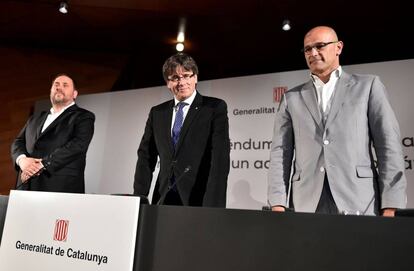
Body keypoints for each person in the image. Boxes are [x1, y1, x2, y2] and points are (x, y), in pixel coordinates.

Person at [267, 26, 407, 216]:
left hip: (359, 199)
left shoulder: (368, 86)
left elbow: (388, 146)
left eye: (320, 46)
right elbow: (280, 153)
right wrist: (277, 202)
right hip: (306, 202)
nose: (313, 53)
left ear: (338, 47)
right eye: (307, 49)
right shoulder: (291, 98)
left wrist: (390, 205)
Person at [133, 53, 230, 207]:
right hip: (163, 197)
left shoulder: (214, 108)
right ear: (167, 83)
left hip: (199, 198)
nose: (182, 82)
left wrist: (213, 204)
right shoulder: (157, 113)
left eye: (186, 75)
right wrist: (138, 197)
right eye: (175, 78)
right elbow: (146, 156)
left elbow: (220, 159)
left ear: (195, 78)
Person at [11, 74, 95, 193]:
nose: (59, 87)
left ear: (75, 94)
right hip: (26, 186)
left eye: (65, 85)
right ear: (51, 91)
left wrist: (42, 164)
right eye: (56, 85)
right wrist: (22, 160)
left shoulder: (84, 116)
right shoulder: (34, 118)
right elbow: (18, 142)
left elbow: (78, 145)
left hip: (59, 187)